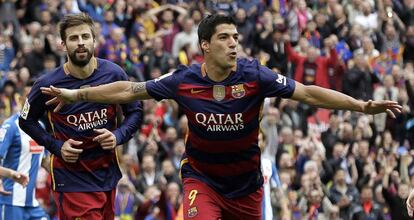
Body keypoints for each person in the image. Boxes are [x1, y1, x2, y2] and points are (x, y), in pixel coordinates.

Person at [42, 14, 401, 219]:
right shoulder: (183, 80)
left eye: (235, 37)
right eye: (225, 38)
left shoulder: (254, 75)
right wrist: (78, 93)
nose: (234, 44)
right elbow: (129, 90)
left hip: (246, 186)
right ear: (205, 46)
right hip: (202, 179)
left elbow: (307, 92)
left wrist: (360, 105)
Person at [18, 13, 142, 219]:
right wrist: (56, 147)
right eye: (74, 38)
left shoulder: (114, 74)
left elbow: (135, 111)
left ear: (95, 40)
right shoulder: (46, 85)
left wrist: (118, 136)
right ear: (63, 45)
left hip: (107, 173)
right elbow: (26, 120)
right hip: (71, 178)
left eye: (85, 36)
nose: (81, 43)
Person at [0, 82, 49, 220]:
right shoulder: (10, 126)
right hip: (11, 201)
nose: (32, 100)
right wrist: (7, 176)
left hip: (32, 203)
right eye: (28, 96)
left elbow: (44, 161)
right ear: (21, 99)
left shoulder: (41, 126)